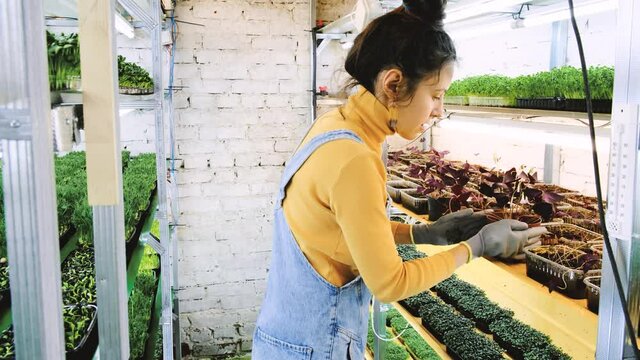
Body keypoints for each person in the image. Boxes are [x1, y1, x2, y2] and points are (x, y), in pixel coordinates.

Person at [252, 0, 546, 358]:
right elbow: (390, 282)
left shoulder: (336, 126)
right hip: (314, 348)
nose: (439, 109)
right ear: (394, 84)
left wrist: (422, 233)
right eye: (436, 95)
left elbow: (348, 229)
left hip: (289, 339)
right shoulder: (353, 158)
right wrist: (475, 248)